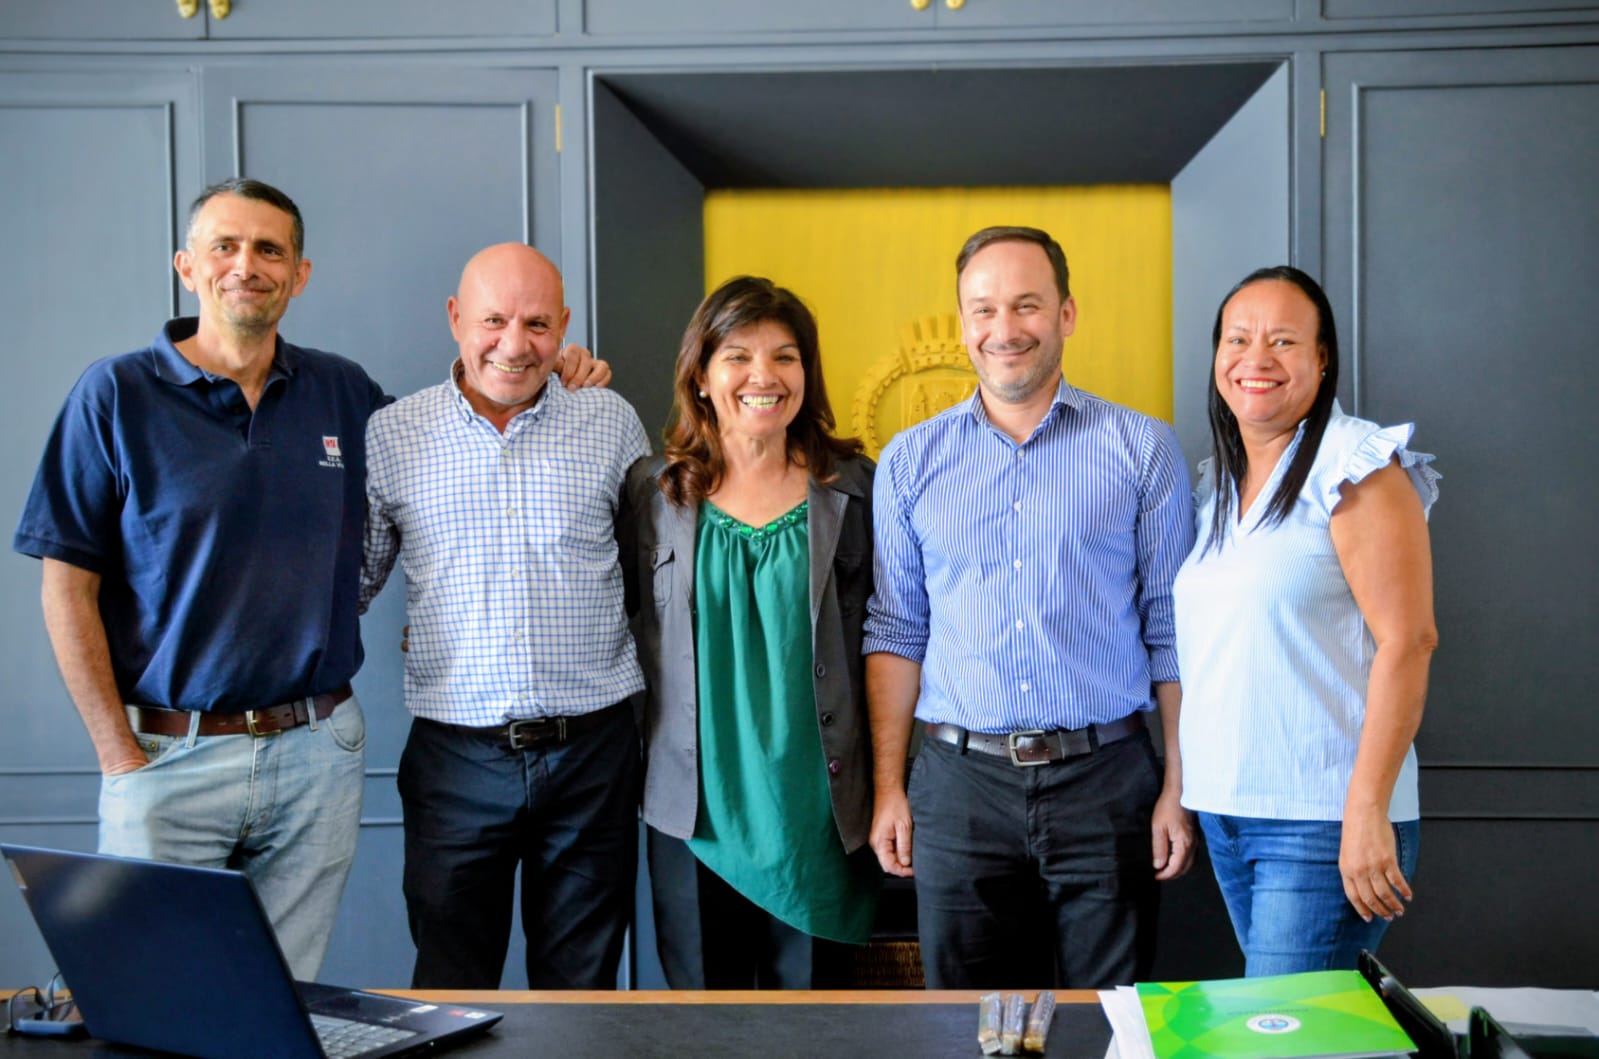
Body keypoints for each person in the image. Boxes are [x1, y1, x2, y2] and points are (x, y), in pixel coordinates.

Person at [10, 179, 607, 981]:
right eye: (225, 245)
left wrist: (553, 372)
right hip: (165, 755)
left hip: (315, 755)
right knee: (148, 994)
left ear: (300, 274)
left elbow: (463, 450)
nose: (246, 265)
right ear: (187, 265)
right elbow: (65, 586)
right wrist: (117, 755)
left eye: (270, 250)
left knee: (279, 1001)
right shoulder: (113, 395)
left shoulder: (343, 393)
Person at [864, 225, 1196, 990]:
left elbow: (1171, 629)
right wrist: (890, 787)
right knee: (967, 1025)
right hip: (957, 784)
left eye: (1026, 305)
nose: (1004, 329)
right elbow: (895, 629)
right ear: (961, 324)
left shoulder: (1141, 448)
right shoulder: (910, 461)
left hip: (1108, 779)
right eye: (982, 309)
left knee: (1104, 1021)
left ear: (1067, 313)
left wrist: (1176, 785)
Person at [360, 242, 648, 990]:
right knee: (453, 982)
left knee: (582, 989)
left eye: (537, 324)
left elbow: (653, 580)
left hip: (593, 755)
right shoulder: (394, 433)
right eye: (493, 320)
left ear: (565, 327)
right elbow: (352, 584)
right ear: (456, 319)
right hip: (455, 755)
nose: (514, 345)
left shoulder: (610, 420)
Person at [1172, 266, 1439, 976]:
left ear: (1322, 360)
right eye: (1237, 338)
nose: (1255, 358)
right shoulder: (1215, 484)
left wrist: (1365, 808)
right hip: (1228, 813)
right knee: (1301, 1035)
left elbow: (1408, 642)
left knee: (1284, 1036)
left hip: (1320, 819)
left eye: (1283, 340)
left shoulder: (1355, 467)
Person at [627, 276, 880, 989]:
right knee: (707, 1026)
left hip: (820, 811)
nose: (762, 376)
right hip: (693, 811)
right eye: (737, 355)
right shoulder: (653, 494)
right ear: (701, 375)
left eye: (785, 356)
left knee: (817, 1026)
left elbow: (896, 640)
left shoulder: (857, 489)